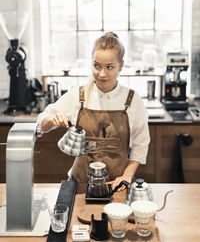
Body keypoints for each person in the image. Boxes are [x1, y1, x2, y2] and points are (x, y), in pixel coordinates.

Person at [37, 32, 150, 191]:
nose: (102, 74)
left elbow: (141, 144)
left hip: (117, 186)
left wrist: (126, 177)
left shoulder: (132, 100)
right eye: (96, 66)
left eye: (109, 67)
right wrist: (51, 119)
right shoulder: (78, 95)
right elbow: (41, 122)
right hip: (80, 185)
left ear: (121, 66)